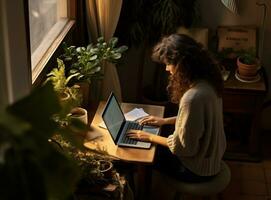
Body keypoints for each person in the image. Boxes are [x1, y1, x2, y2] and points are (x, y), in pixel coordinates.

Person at [127, 33, 226, 182]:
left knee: (142, 155)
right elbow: (197, 120)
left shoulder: (192, 97)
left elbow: (183, 148)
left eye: (168, 63)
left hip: (195, 170)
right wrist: (164, 121)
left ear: (182, 65)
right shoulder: (209, 80)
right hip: (211, 159)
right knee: (159, 137)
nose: (167, 68)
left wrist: (149, 137)